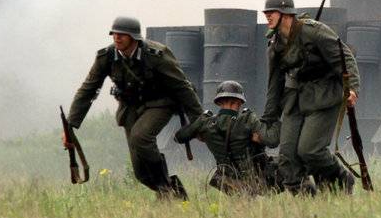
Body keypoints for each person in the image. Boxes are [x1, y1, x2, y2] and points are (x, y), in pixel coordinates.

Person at [67, 15, 202, 199]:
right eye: (114, 34)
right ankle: (173, 192)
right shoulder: (107, 57)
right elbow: (88, 89)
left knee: (141, 137)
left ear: (134, 37)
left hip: (160, 104)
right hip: (130, 108)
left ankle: (164, 189)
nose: (117, 38)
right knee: (140, 172)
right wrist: (70, 126)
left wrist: (199, 122)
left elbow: (182, 87)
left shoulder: (157, 55)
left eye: (122, 34)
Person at [260, 0, 361, 193]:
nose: (267, 16)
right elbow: (274, 85)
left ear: (286, 14)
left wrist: (352, 88)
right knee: (287, 156)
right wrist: (268, 120)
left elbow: (344, 57)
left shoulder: (313, 31)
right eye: (267, 13)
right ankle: (305, 203)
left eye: (272, 12)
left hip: (323, 95)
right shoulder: (275, 46)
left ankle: (341, 179)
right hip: (294, 99)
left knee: (309, 150)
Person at [173, 80, 279, 194]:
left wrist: (197, 129)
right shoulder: (247, 119)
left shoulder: (206, 123)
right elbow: (272, 141)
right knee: (286, 162)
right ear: (239, 102)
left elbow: (179, 137)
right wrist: (278, 123)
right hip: (258, 179)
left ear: (219, 102)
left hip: (228, 180)